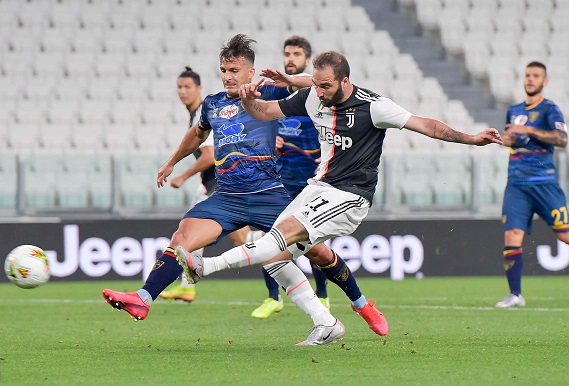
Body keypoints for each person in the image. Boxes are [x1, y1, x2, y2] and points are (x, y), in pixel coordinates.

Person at [102, 35, 386, 346]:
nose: (227, 76)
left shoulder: (270, 91)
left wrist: (290, 77)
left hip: (269, 193)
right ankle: (143, 298)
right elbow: (196, 135)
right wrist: (172, 161)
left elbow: (316, 83)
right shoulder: (213, 103)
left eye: (234, 70)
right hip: (226, 197)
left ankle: (360, 303)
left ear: (250, 73)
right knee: (183, 237)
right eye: (223, 69)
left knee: (316, 252)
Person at [176, 51, 502, 312]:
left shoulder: (374, 106)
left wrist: (471, 139)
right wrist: (247, 100)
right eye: (315, 86)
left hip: (352, 195)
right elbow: (263, 112)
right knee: (279, 255)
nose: (319, 93)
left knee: (281, 234)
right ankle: (347, 312)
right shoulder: (311, 99)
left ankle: (206, 267)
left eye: (326, 87)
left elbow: (427, 125)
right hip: (318, 187)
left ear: (345, 81)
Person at [495, 61, 569, 308]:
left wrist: (528, 129)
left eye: (536, 76)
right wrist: (505, 139)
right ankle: (515, 294)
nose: (530, 79)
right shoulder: (513, 110)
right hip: (516, 184)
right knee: (512, 235)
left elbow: (561, 139)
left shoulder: (549, 110)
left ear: (544, 81)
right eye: (527, 75)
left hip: (544, 182)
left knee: (567, 235)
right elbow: (510, 139)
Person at [249, 35, 330, 319]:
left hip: (312, 178)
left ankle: (323, 296)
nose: (290, 58)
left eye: (296, 54)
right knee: (266, 236)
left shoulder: (315, 91)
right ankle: (273, 297)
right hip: (280, 176)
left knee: (313, 241)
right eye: (287, 53)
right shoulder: (273, 91)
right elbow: (255, 117)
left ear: (307, 60)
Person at [158, 67, 250, 302]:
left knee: (197, 231)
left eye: (188, 87)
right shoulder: (197, 113)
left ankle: (286, 246)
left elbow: (209, 156)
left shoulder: (203, 111)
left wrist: (182, 175)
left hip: (221, 183)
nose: (183, 91)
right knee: (198, 231)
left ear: (199, 89)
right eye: (180, 87)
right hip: (214, 183)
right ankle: (187, 285)